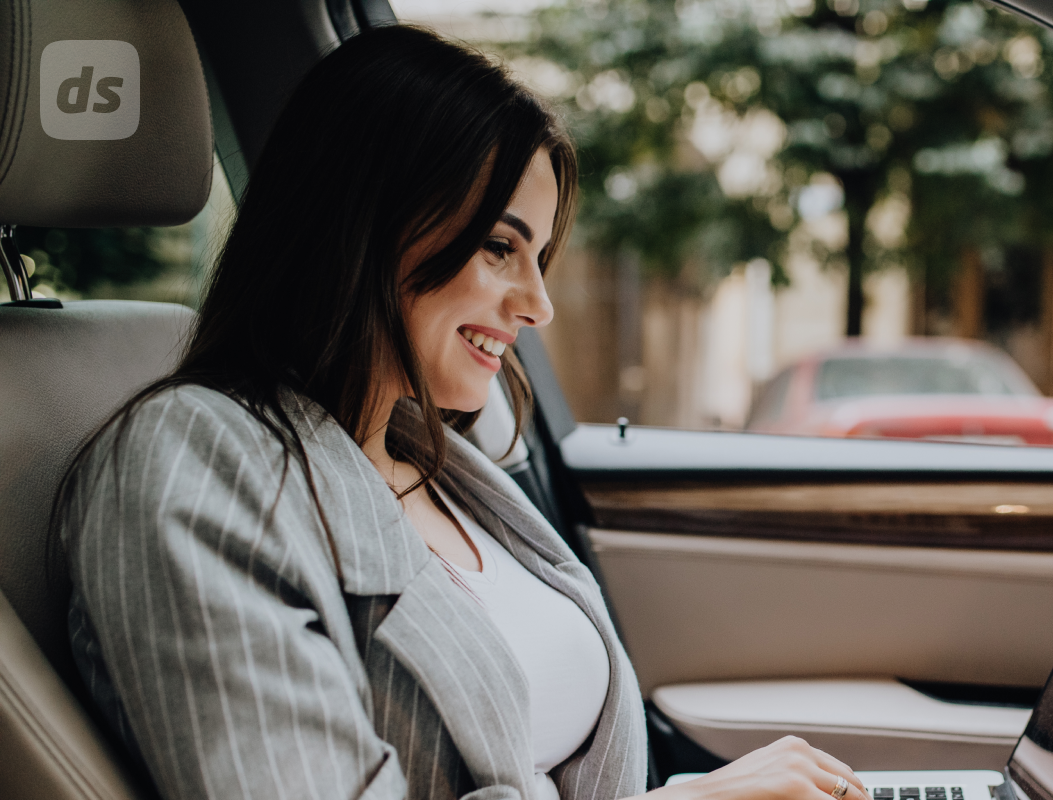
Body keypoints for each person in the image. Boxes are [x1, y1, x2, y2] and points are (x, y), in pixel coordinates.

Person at [54, 24, 867, 800]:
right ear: (365, 223)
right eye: (499, 247)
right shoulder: (188, 461)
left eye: (539, 256)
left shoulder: (434, 454)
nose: (539, 304)